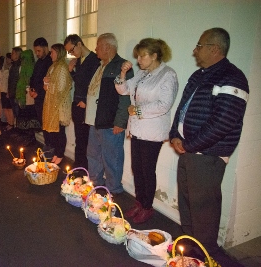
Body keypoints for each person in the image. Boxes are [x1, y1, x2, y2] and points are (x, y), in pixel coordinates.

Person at [169, 28, 249, 264]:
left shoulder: (233, 78)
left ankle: (205, 255)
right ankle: (189, 246)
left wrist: (189, 144)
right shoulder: (199, 75)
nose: (195, 50)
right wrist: (175, 134)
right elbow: (182, 109)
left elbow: (223, 122)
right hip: (189, 150)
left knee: (204, 208)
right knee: (187, 201)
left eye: (199, 45)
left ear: (215, 48)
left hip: (207, 155)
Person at [115, 38, 178, 224]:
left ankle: (147, 207)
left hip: (153, 132)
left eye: (143, 56)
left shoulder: (168, 75)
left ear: (155, 55)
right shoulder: (143, 74)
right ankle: (139, 202)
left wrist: (138, 110)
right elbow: (123, 90)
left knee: (147, 170)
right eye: (138, 56)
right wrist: (122, 73)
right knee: (137, 169)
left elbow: (165, 104)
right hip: (137, 129)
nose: (139, 60)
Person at [85, 33, 133, 195]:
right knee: (93, 155)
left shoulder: (122, 67)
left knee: (112, 158)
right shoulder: (101, 66)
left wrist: (120, 121)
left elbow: (126, 97)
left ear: (107, 47)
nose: (96, 49)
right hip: (94, 121)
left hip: (110, 122)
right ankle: (96, 184)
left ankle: (114, 189)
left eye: (98, 46)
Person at [64, 34, 100, 169]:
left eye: (72, 50)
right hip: (77, 103)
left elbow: (94, 84)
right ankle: (78, 165)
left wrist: (85, 100)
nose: (71, 53)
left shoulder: (94, 60)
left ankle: (84, 168)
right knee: (79, 138)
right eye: (69, 52)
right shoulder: (79, 60)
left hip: (86, 104)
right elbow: (79, 81)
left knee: (86, 140)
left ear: (79, 44)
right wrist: (71, 71)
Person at [42, 44, 72, 165]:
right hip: (51, 103)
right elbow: (47, 86)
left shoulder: (62, 67)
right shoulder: (53, 66)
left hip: (59, 105)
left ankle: (60, 153)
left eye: (52, 52)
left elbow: (62, 88)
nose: (50, 54)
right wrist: (46, 82)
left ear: (58, 53)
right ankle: (55, 152)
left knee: (59, 130)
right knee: (53, 131)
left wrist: (49, 83)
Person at [28, 37, 53, 147]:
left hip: (46, 99)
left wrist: (39, 93)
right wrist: (31, 89)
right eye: (35, 51)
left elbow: (50, 81)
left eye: (39, 51)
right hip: (38, 98)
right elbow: (34, 78)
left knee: (49, 125)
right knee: (43, 124)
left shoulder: (50, 61)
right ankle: (47, 145)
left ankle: (51, 147)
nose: (37, 54)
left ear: (45, 48)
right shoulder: (39, 62)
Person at [6, 46, 22, 131]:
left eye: (13, 53)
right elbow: (10, 80)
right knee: (15, 112)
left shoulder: (20, 65)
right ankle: (16, 128)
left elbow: (18, 80)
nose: (11, 55)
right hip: (12, 92)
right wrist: (9, 91)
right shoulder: (13, 65)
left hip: (17, 93)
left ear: (17, 54)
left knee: (18, 112)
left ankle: (19, 129)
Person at [0, 53, 14, 128]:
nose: (8, 60)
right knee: (4, 107)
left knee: (9, 108)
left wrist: (9, 91)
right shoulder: (3, 67)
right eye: (7, 58)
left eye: (9, 58)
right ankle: (8, 122)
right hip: (2, 89)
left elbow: (10, 80)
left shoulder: (11, 68)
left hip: (7, 89)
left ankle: (11, 123)